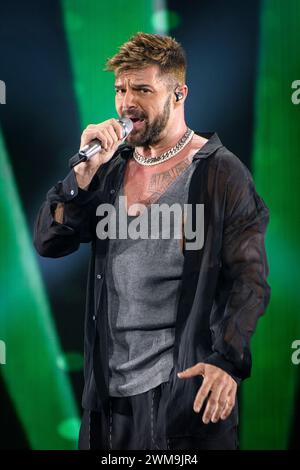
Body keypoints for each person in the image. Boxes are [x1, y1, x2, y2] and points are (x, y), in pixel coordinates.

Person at [33, 32, 271, 450]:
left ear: (178, 93)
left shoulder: (220, 173)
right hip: (108, 399)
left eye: (142, 89)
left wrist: (227, 362)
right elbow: (50, 242)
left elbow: (249, 281)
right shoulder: (107, 170)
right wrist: (81, 179)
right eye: (120, 90)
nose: (126, 103)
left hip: (181, 394)